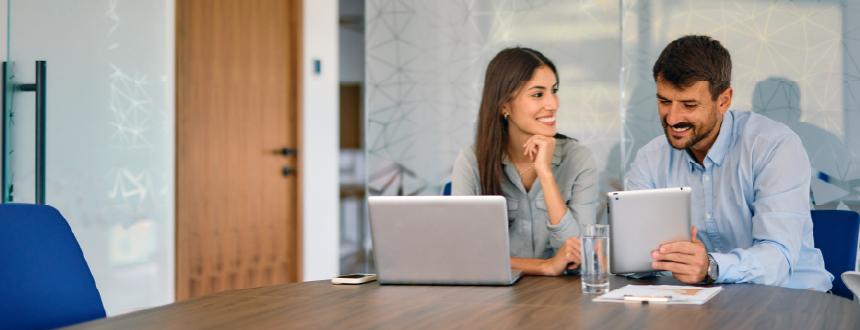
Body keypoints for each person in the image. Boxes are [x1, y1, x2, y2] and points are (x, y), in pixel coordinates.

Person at [626, 35, 833, 291]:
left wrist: (710, 266)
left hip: (792, 301)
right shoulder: (650, 158)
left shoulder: (774, 146)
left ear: (723, 100)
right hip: (704, 304)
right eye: (664, 101)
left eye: (689, 104)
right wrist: (620, 254)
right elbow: (636, 259)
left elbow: (777, 259)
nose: (673, 118)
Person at [451, 47, 598, 276]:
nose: (553, 104)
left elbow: (580, 254)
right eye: (538, 94)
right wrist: (544, 266)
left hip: (564, 298)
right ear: (504, 106)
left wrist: (545, 174)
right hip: (495, 301)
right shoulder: (471, 162)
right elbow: (465, 255)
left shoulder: (578, 158)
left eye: (554, 91)